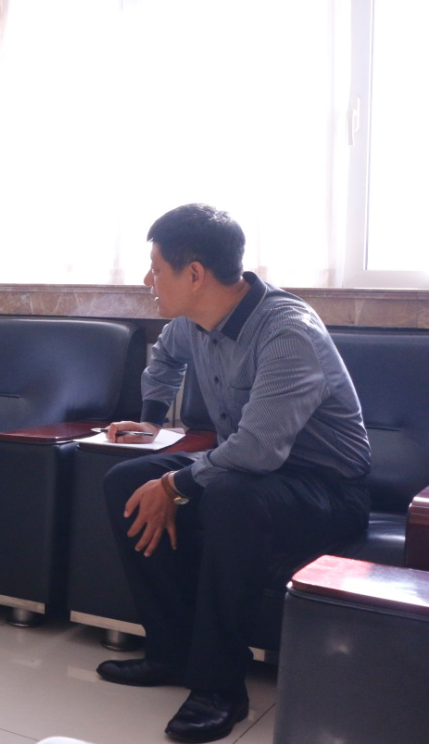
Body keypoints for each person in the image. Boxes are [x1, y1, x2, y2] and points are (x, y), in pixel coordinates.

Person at [95, 204, 370, 743]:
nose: (147, 280)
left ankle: (219, 688)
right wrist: (151, 421)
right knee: (125, 482)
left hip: (326, 489)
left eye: (156, 268)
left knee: (226, 496)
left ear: (195, 274)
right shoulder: (192, 323)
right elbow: (165, 360)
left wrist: (174, 485)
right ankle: (171, 653)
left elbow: (259, 448)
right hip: (249, 472)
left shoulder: (287, 331)